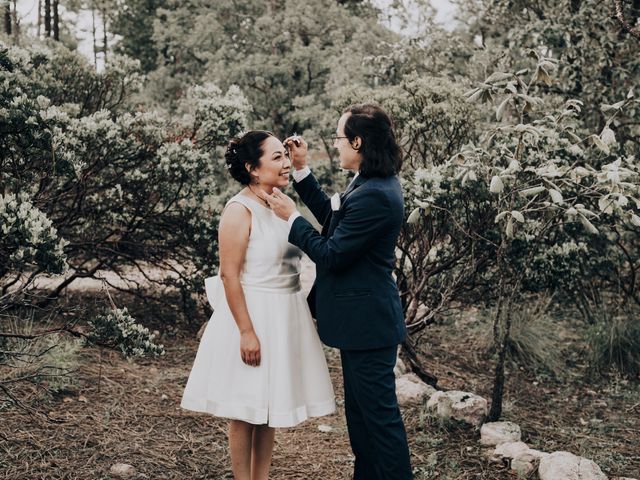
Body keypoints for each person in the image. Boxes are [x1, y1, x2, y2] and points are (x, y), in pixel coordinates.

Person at [262, 104, 413, 480]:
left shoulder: (377, 193)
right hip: (359, 325)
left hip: (368, 324)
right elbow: (334, 222)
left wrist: (292, 219)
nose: (336, 145)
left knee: (379, 422)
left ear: (358, 141)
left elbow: (332, 254)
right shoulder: (367, 182)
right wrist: (300, 170)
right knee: (361, 420)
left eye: (339, 138)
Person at [181, 130, 336, 480]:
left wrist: (301, 167)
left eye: (286, 154)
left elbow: (314, 245)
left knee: (270, 409)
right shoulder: (239, 209)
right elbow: (229, 276)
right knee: (245, 408)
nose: (285, 162)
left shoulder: (283, 204)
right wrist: (246, 332)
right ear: (253, 168)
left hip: (285, 316)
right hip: (251, 315)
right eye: (277, 156)